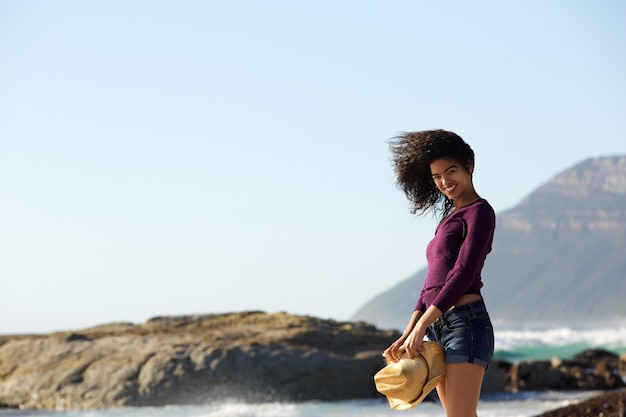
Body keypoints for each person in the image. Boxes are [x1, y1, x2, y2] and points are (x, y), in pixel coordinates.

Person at [383, 129, 496, 417]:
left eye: (451, 171)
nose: (445, 182)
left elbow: (463, 273)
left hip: (465, 324)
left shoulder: (480, 212)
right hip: (436, 326)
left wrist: (421, 326)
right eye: (437, 177)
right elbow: (430, 283)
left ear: (469, 165)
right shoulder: (447, 221)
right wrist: (409, 331)